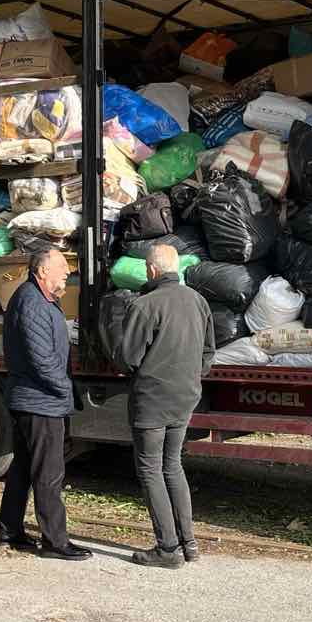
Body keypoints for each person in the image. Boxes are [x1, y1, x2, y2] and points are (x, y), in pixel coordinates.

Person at [115, 243, 215, 568]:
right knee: (173, 466)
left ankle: (168, 548)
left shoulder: (145, 305)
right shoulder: (198, 301)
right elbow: (208, 351)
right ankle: (189, 543)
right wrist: (191, 377)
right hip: (186, 396)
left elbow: (127, 358)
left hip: (152, 400)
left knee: (150, 469)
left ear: (152, 270)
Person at [0, 246, 90, 560]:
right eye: (62, 266)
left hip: (35, 399)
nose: (67, 272)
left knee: (23, 469)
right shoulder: (32, 302)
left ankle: (10, 532)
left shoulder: (42, 300)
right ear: (42, 271)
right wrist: (67, 391)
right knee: (49, 474)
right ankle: (54, 541)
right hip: (40, 402)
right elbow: (42, 361)